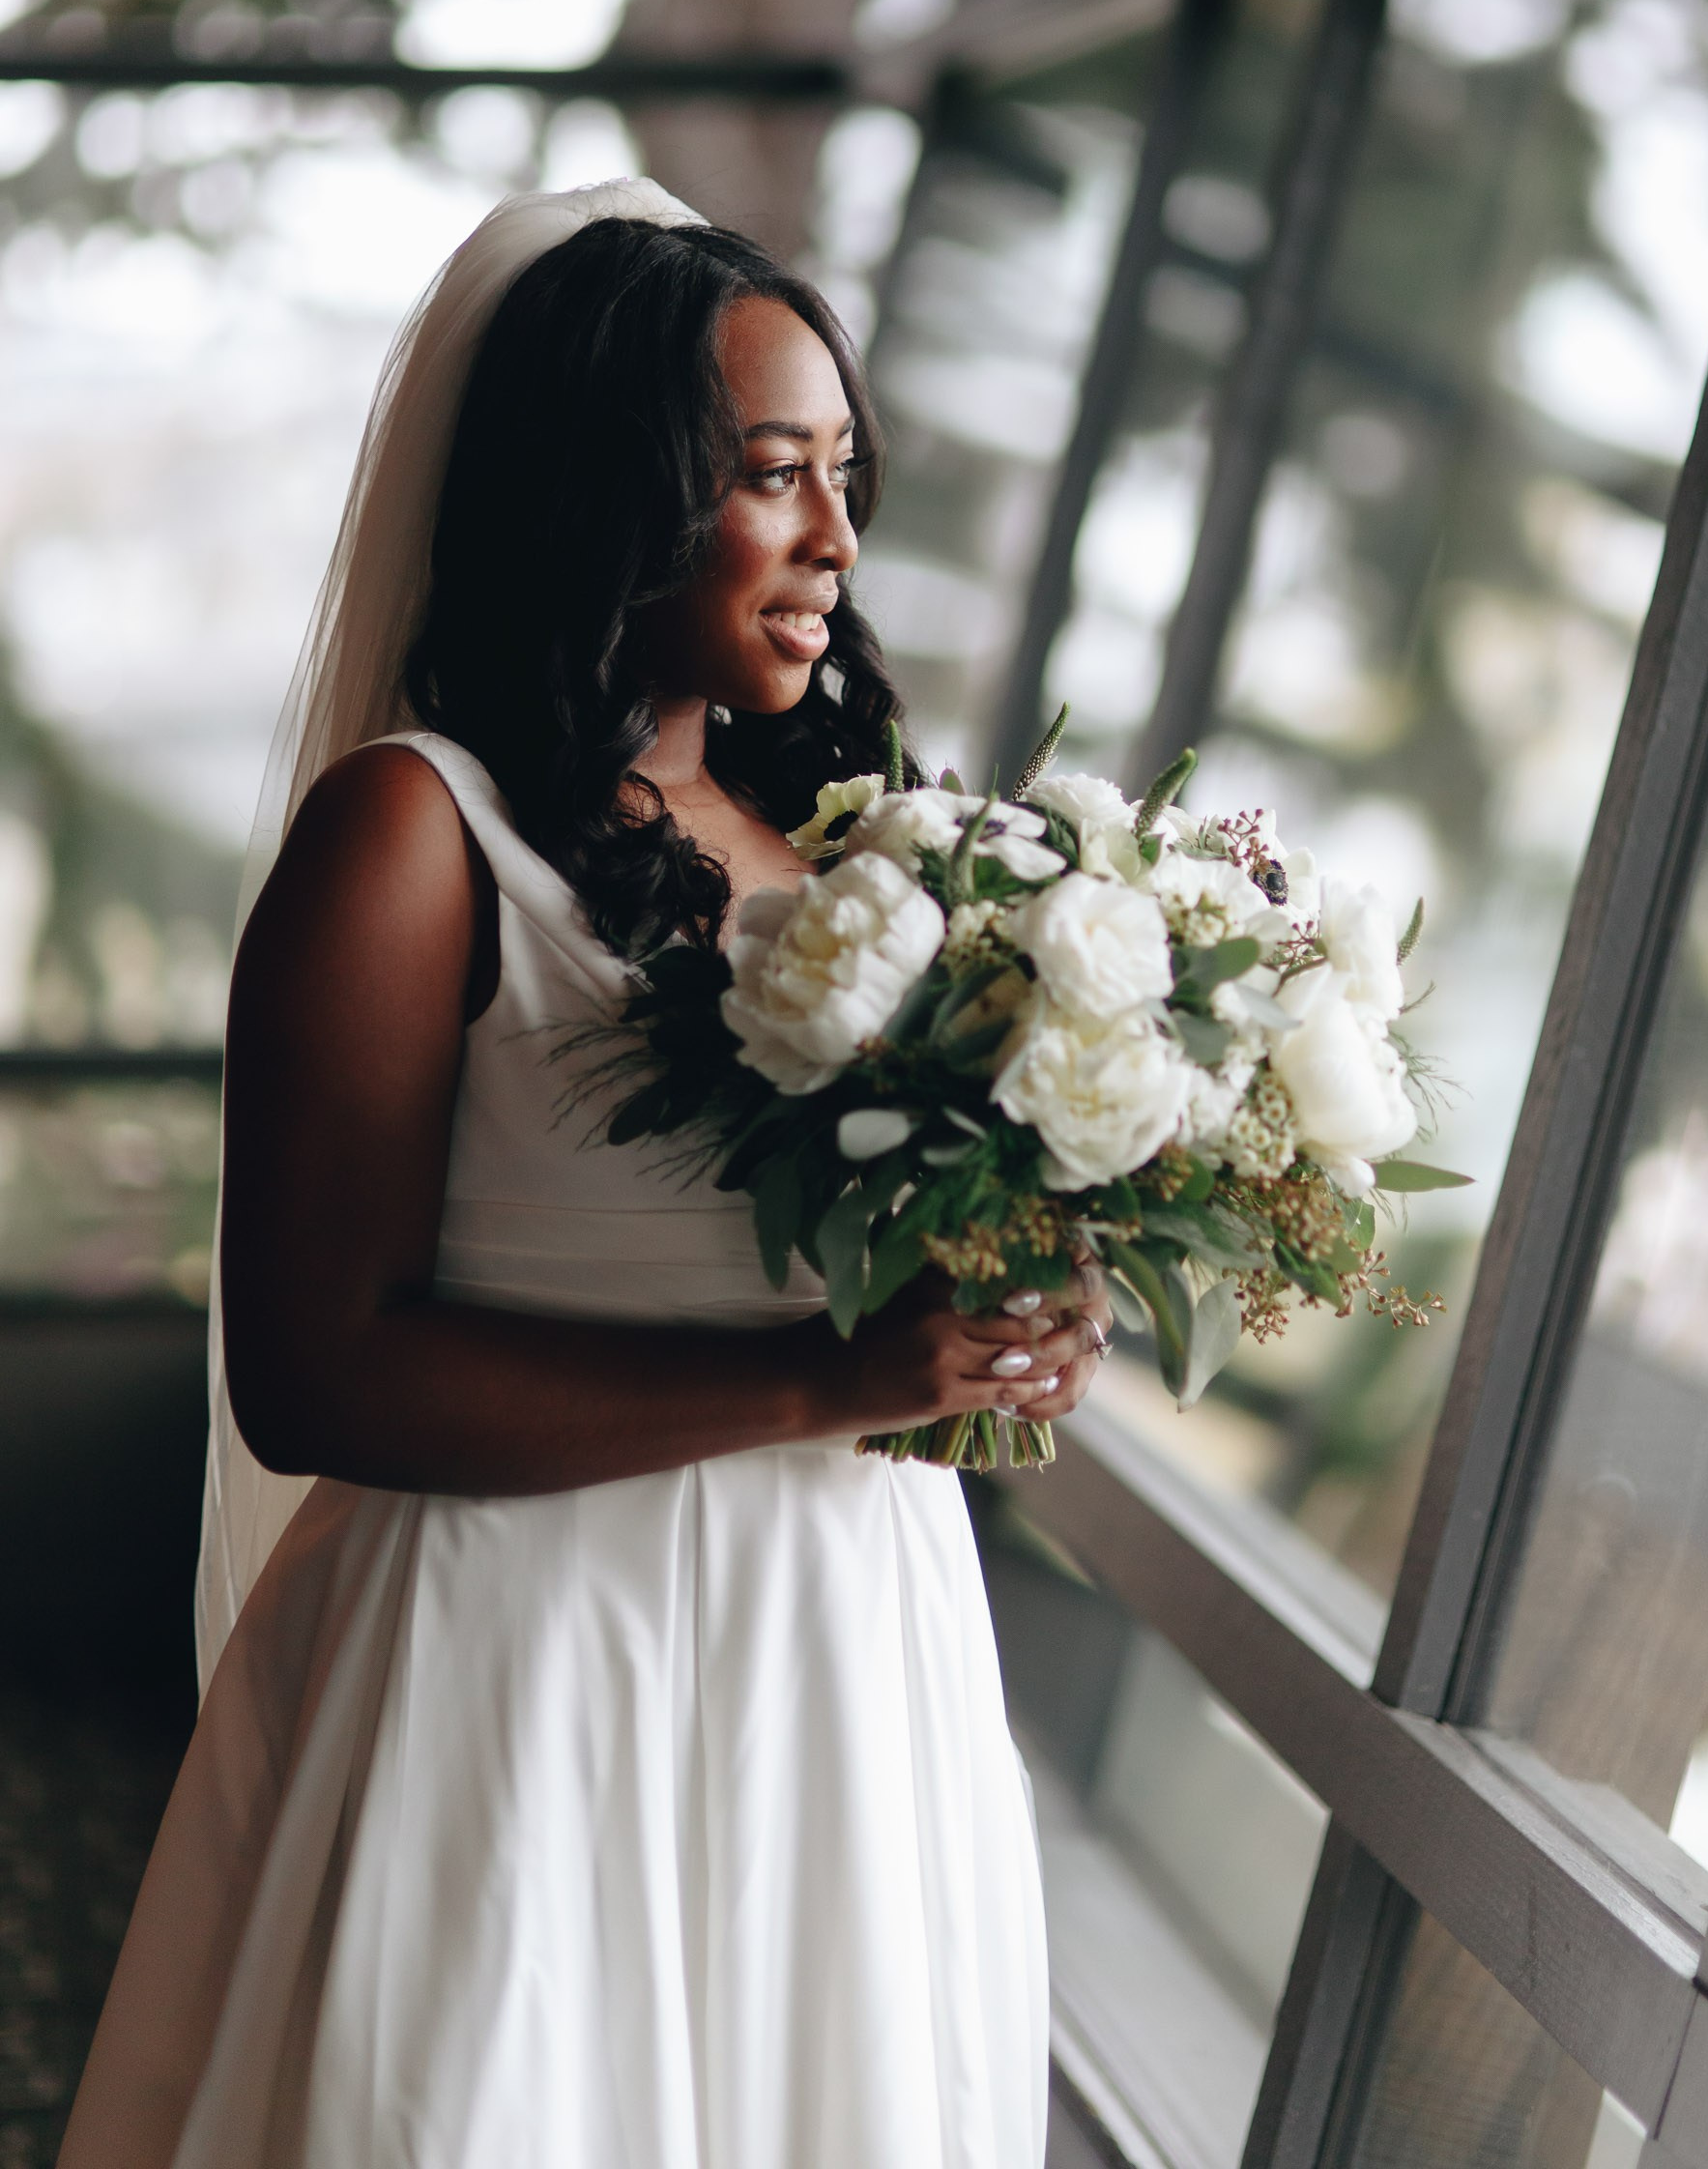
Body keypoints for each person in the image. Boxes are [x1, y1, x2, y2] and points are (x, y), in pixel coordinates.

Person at [59, 178, 1105, 2169]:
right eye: (772, 474)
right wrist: (831, 1387)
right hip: (524, 1657)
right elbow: (316, 1374)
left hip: (837, 1652)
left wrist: (1015, 1303)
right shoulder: (410, 835)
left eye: (846, 475)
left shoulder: (857, 852)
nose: (834, 534)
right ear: (613, 489)